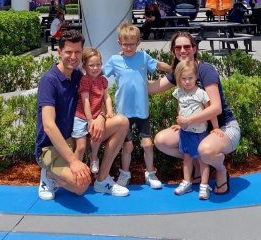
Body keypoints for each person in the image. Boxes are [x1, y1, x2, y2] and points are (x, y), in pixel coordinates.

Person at [35, 30, 130, 200]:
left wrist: (101, 117)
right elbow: (48, 126)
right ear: (59, 52)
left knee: (122, 122)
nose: (73, 57)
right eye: (68, 52)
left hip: (76, 137)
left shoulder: (79, 75)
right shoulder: (49, 81)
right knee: (80, 186)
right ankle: (48, 175)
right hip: (49, 149)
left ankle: (102, 180)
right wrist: (73, 161)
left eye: (77, 52)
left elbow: (99, 98)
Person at [150, 31, 241, 195]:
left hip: (223, 127)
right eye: (178, 47)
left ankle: (220, 168)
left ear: (194, 48)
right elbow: (152, 88)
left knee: (205, 150)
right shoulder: (180, 72)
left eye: (187, 46)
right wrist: (133, 64)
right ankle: (200, 162)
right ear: (173, 51)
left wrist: (187, 121)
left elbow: (216, 108)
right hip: (195, 129)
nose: (182, 50)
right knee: (161, 141)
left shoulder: (205, 70)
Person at [103, 23, 171, 190]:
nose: (128, 47)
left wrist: (176, 69)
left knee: (147, 144)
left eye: (132, 44)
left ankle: (150, 173)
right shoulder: (115, 60)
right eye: (125, 44)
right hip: (123, 113)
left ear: (138, 43)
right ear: (119, 43)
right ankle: (124, 174)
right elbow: (98, 74)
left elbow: (159, 65)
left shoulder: (143, 57)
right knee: (127, 146)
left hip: (142, 111)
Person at [172, 60, 218, 200]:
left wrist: (216, 128)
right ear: (179, 78)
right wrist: (180, 123)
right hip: (185, 132)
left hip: (199, 133)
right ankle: (187, 182)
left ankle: (204, 185)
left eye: (190, 78)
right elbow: (180, 107)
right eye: (183, 78)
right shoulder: (179, 92)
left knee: (202, 160)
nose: (187, 81)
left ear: (196, 76)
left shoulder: (201, 93)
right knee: (186, 158)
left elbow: (210, 111)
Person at [71, 48, 114, 174]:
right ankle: (75, 170)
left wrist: (109, 112)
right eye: (91, 65)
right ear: (84, 66)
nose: (95, 68)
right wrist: (89, 120)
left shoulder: (103, 80)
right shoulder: (85, 80)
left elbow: (107, 97)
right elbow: (85, 101)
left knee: (96, 136)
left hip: (95, 115)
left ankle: (94, 157)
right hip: (81, 116)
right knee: (81, 147)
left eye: (98, 64)